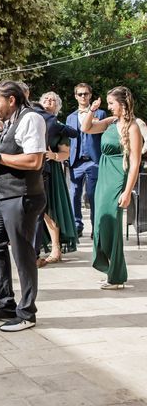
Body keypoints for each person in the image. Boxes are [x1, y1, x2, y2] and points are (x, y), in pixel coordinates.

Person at [0, 80, 46, 332]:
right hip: (2, 195)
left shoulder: (31, 119)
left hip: (22, 197)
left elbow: (35, 161)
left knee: (22, 254)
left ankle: (27, 313)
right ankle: (6, 303)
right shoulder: (11, 121)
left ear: (11, 100)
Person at [82, 87, 141, 289]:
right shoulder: (110, 122)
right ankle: (111, 270)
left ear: (122, 104)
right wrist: (92, 110)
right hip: (104, 177)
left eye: (111, 103)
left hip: (118, 178)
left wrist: (127, 191)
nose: (108, 107)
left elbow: (135, 162)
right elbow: (86, 129)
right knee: (100, 223)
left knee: (112, 225)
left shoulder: (133, 127)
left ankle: (116, 276)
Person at [36, 92, 79, 265]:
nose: (49, 102)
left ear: (57, 107)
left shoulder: (59, 126)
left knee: (50, 209)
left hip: (51, 170)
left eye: (53, 100)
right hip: (32, 169)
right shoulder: (33, 122)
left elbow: (65, 153)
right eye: (45, 99)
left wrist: (52, 155)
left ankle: (56, 248)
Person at [67, 83, 106, 237]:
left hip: (94, 160)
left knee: (92, 194)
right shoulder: (70, 117)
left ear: (90, 95)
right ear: (76, 96)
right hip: (76, 161)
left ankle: (96, 226)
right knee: (74, 194)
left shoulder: (101, 114)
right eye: (80, 94)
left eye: (86, 94)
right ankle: (77, 226)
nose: (83, 96)